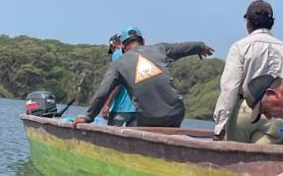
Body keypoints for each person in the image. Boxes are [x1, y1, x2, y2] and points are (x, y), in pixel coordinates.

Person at [75, 27, 213, 128]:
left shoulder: (118, 64)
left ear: (123, 46)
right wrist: (201, 47)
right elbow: (185, 47)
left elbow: (102, 93)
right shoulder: (160, 48)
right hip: (176, 112)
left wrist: (88, 117)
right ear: (144, 41)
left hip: (149, 117)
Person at [213, 0, 283, 144]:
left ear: (248, 22)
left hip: (245, 110)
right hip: (276, 113)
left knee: (235, 161)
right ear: (271, 23)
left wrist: (220, 126)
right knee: (265, 161)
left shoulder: (240, 47)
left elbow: (229, 88)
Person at [104, 32, 139, 127]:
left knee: (110, 139)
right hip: (138, 109)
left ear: (113, 44)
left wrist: (107, 104)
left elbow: (117, 83)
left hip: (121, 108)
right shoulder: (138, 54)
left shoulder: (117, 54)